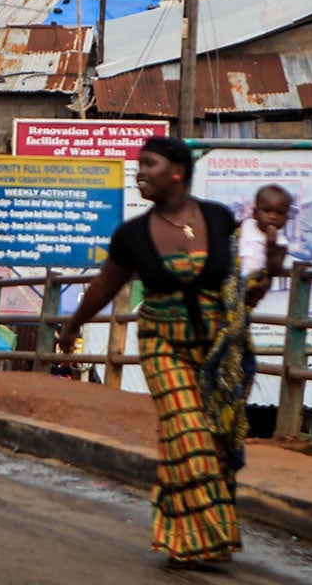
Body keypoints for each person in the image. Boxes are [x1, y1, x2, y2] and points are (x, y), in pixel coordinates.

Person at [57, 136, 250, 568]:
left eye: (150, 163)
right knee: (187, 432)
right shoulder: (132, 235)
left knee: (212, 443)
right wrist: (70, 328)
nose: (139, 171)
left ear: (177, 171)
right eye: (138, 164)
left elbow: (237, 284)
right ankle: (210, 537)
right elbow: (104, 287)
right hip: (163, 343)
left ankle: (179, 535)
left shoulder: (220, 220)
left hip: (216, 349)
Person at [234, 184, 292, 310]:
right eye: (266, 211)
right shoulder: (246, 226)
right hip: (232, 279)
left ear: (286, 219)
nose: (273, 217)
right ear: (255, 213)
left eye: (279, 213)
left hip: (254, 286)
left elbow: (274, 269)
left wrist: (271, 245)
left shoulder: (281, 242)